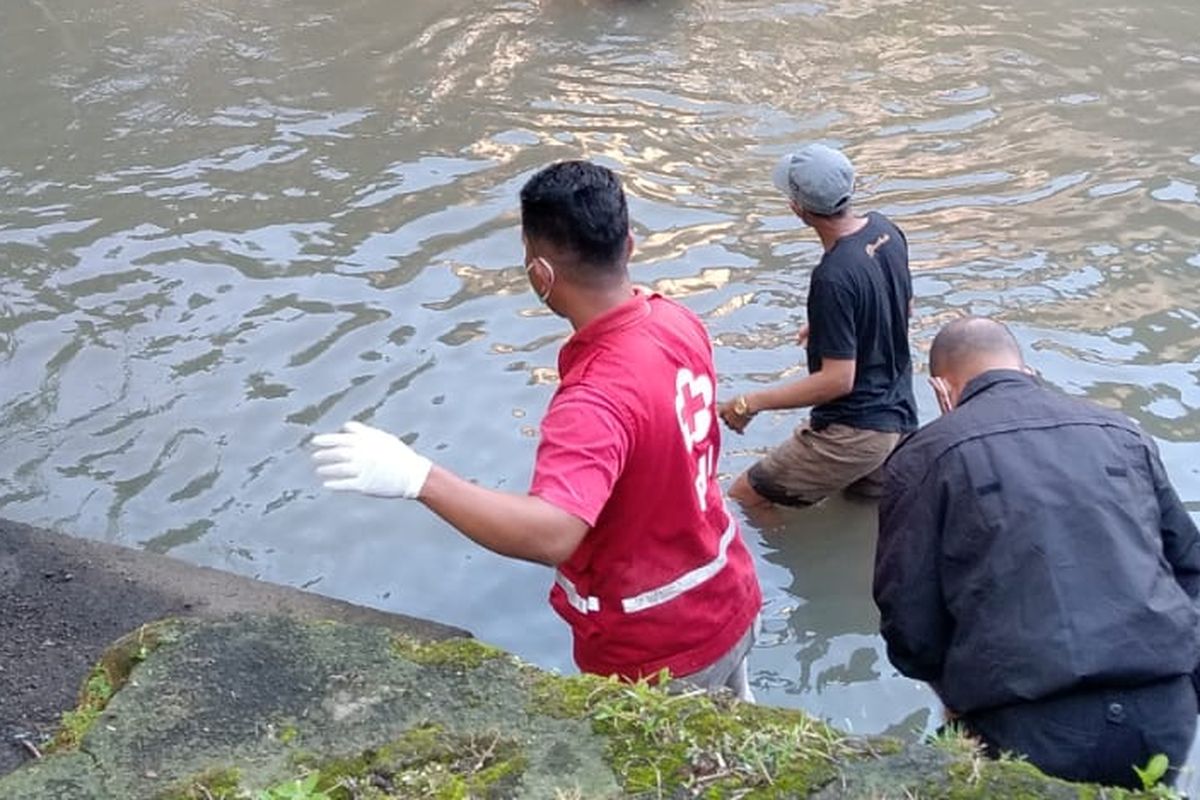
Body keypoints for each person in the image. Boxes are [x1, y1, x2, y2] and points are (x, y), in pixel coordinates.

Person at [310, 160, 762, 698]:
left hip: (656, 649)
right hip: (730, 595)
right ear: (630, 245)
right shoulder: (677, 320)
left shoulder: (594, 398)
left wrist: (418, 478)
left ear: (540, 274)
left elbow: (553, 533)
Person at [874, 316, 1200, 788]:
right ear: (1028, 372)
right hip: (1164, 716)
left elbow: (907, 621)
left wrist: (954, 693)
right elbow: (1189, 567)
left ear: (942, 390)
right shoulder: (1122, 431)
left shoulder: (926, 455)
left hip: (1026, 724)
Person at [718, 143, 917, 512]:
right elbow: (903, 306)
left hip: (856, 432)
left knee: (746, 497)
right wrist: (835, 324)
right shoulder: (885, 230)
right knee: (857, 511)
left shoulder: (833, 276)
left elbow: (837, 381)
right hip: (900, 413)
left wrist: (751, 403)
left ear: (798, 209)